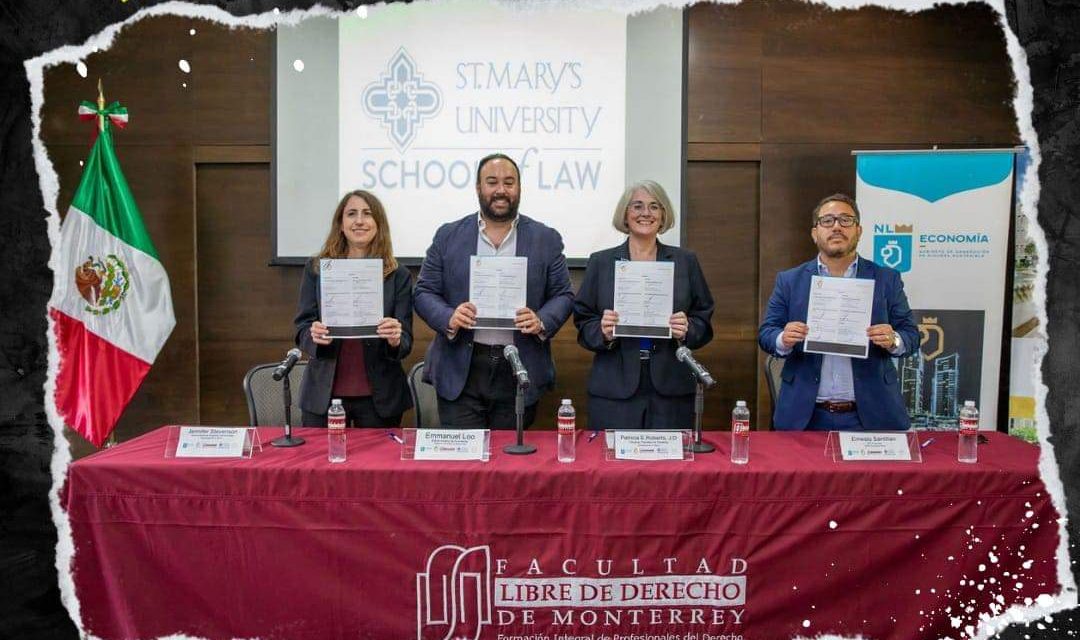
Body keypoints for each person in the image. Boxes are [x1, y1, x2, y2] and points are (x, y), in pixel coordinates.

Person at [413, 153, 574, 429]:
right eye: (492, 182)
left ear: (519, 188)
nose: (501, 190)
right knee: (464, 465)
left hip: (519, 366)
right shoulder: (448, 235)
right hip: (461, 368)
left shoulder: (546, 239)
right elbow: (424, 291)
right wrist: (449, 316)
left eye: (509, 182)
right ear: (478, 188)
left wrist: (541, 320)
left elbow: (563, 295)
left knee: (510, 464)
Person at [758, 193, 917, 431]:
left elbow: (911, 336)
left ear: (859, 231)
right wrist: (784, 337)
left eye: (845, 220)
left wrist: (893, 339)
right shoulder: (790, 280)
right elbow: (766, 333)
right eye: (827, 221)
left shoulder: (886, 279)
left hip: (871, 414)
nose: (836, 227)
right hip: (806, 415)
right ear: (815, 232)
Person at [574, 180, 714, 429]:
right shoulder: (601, 262)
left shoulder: (686, 261)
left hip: (671, 388)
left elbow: (704, 319)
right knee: (612, 464)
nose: (646, 213)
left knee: (669, 466)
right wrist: (602, 331)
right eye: (637, 206)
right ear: (625, 215)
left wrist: (688, 328)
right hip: (614, 390)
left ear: (663, 216)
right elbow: (583, 322)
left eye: (654, 207)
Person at [294, 190, 413, 427]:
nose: (359, 220)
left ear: (378, 224)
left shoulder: (398, 275)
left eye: (367, 214)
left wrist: (395, 338)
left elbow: (406, 342)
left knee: (376, 465)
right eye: (351, 214)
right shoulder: (316, 269)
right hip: (323, 395)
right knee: (320, 464)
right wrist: (313, 335)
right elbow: (301, 329)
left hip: (380, 397)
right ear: (340, 224)